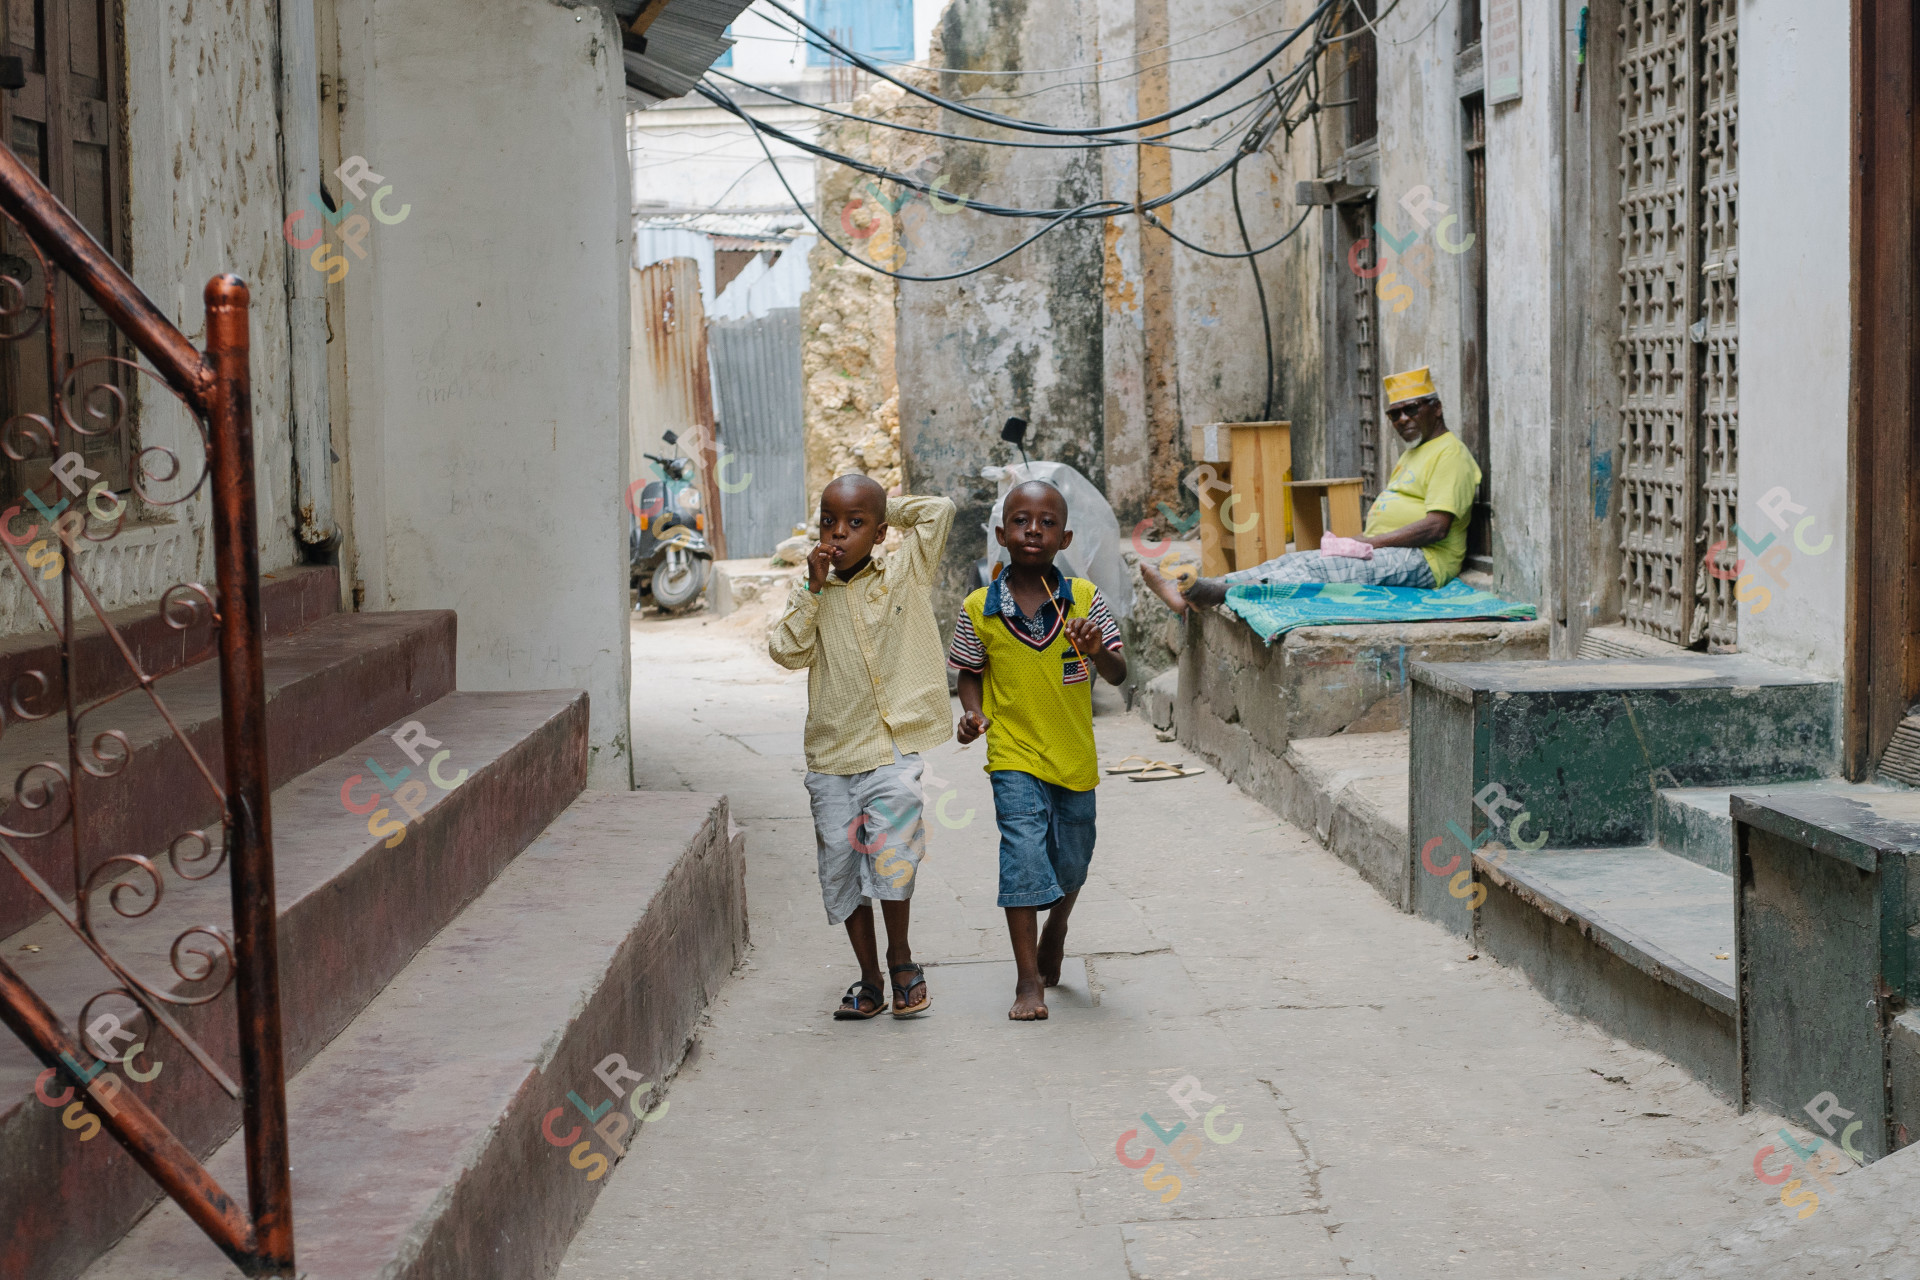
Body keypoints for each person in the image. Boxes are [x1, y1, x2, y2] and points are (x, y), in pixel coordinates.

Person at [769, 475, 954, 1021]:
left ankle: (901, 958)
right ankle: (869, 975)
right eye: (829, 521)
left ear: (879, 531)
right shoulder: (811, 590)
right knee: (841, 866)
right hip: (831, 755)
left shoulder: (905, 571)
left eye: (855, 524)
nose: (839, 533)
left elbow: (939, 511)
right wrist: (813, 589)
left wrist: (880, 509)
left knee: (893, 856)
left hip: (891, 750)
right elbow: (786, 651)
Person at [946, 480, 1128, 1021]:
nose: (1033, 531)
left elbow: (1120, 674)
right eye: (1021, 521)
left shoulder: (1087, 601)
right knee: (1023, 857)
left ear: (1064, 536)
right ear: (1002, 534)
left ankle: (1060, 924)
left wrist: (1098, 650)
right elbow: (968, 673)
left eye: (1047, 523)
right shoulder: (981, 607)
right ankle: (1028, 982)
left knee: (1073, 863)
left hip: (1073, 757)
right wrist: (972, 713)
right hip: (1014, 755)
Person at [1141, 366, 1483, 613]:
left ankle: (1223, 593)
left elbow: (1437, 526)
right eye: (1395, 414)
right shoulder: (1415, 453)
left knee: (1314, 572)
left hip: (1425, 562)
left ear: (1435, 408)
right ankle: (1196, 589)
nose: (1403, 420)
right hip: (1385, 551)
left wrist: (1369, 542)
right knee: (1295, 559)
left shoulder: (1451, 454)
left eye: (1412, 409)